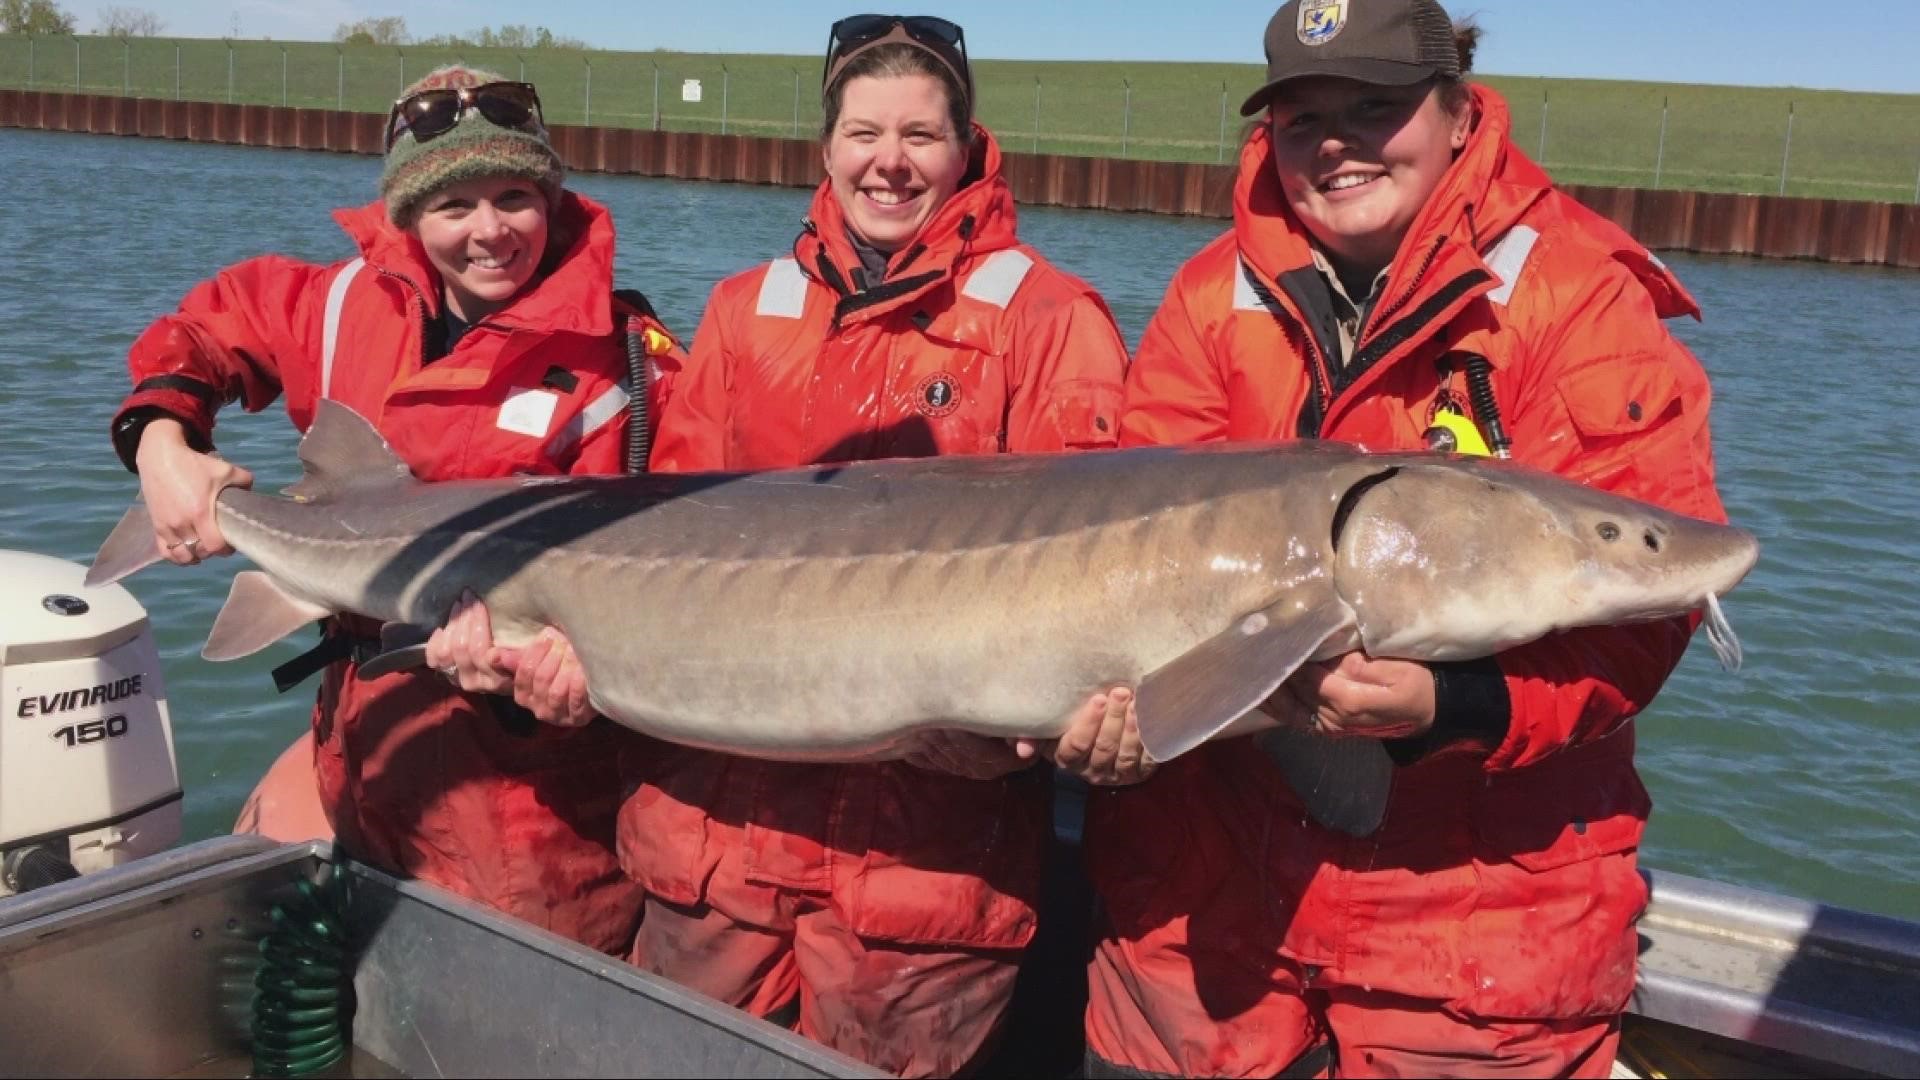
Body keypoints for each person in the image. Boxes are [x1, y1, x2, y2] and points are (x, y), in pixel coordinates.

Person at [429, 16, 1133, 1076]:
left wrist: (1049, 730)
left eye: (919, 135)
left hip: (921, 871)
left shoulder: (1048, 320)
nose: (887, 162)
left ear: (967, 144)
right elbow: (656, 548)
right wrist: (571, 661)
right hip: (709, 844)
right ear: (825, 144)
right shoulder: (743, 311)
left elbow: (1098, 582)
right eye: (861, 132)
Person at [1079, 2, 1729, 1077]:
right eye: (1302, 119)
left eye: (1374, 108)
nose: (1335, 144)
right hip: (1206, 905)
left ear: (1459, 107)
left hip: (1479, 922)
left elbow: (1642, 608)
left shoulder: (1579, 300)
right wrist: (1109, 725)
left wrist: (1454, 705)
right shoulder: (1208, 295)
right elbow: (1121, 546)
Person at [108, 66, 681, 956]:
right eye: (454, 205)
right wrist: (161, 443)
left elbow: (661, 599)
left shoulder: (633, 371)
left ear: (551, 197)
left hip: (532, 821)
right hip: (365, 758)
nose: (490, 232)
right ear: (410, 215)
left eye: (514, 197)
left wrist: (553, 694)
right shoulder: (338, 305)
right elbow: (209, 328)